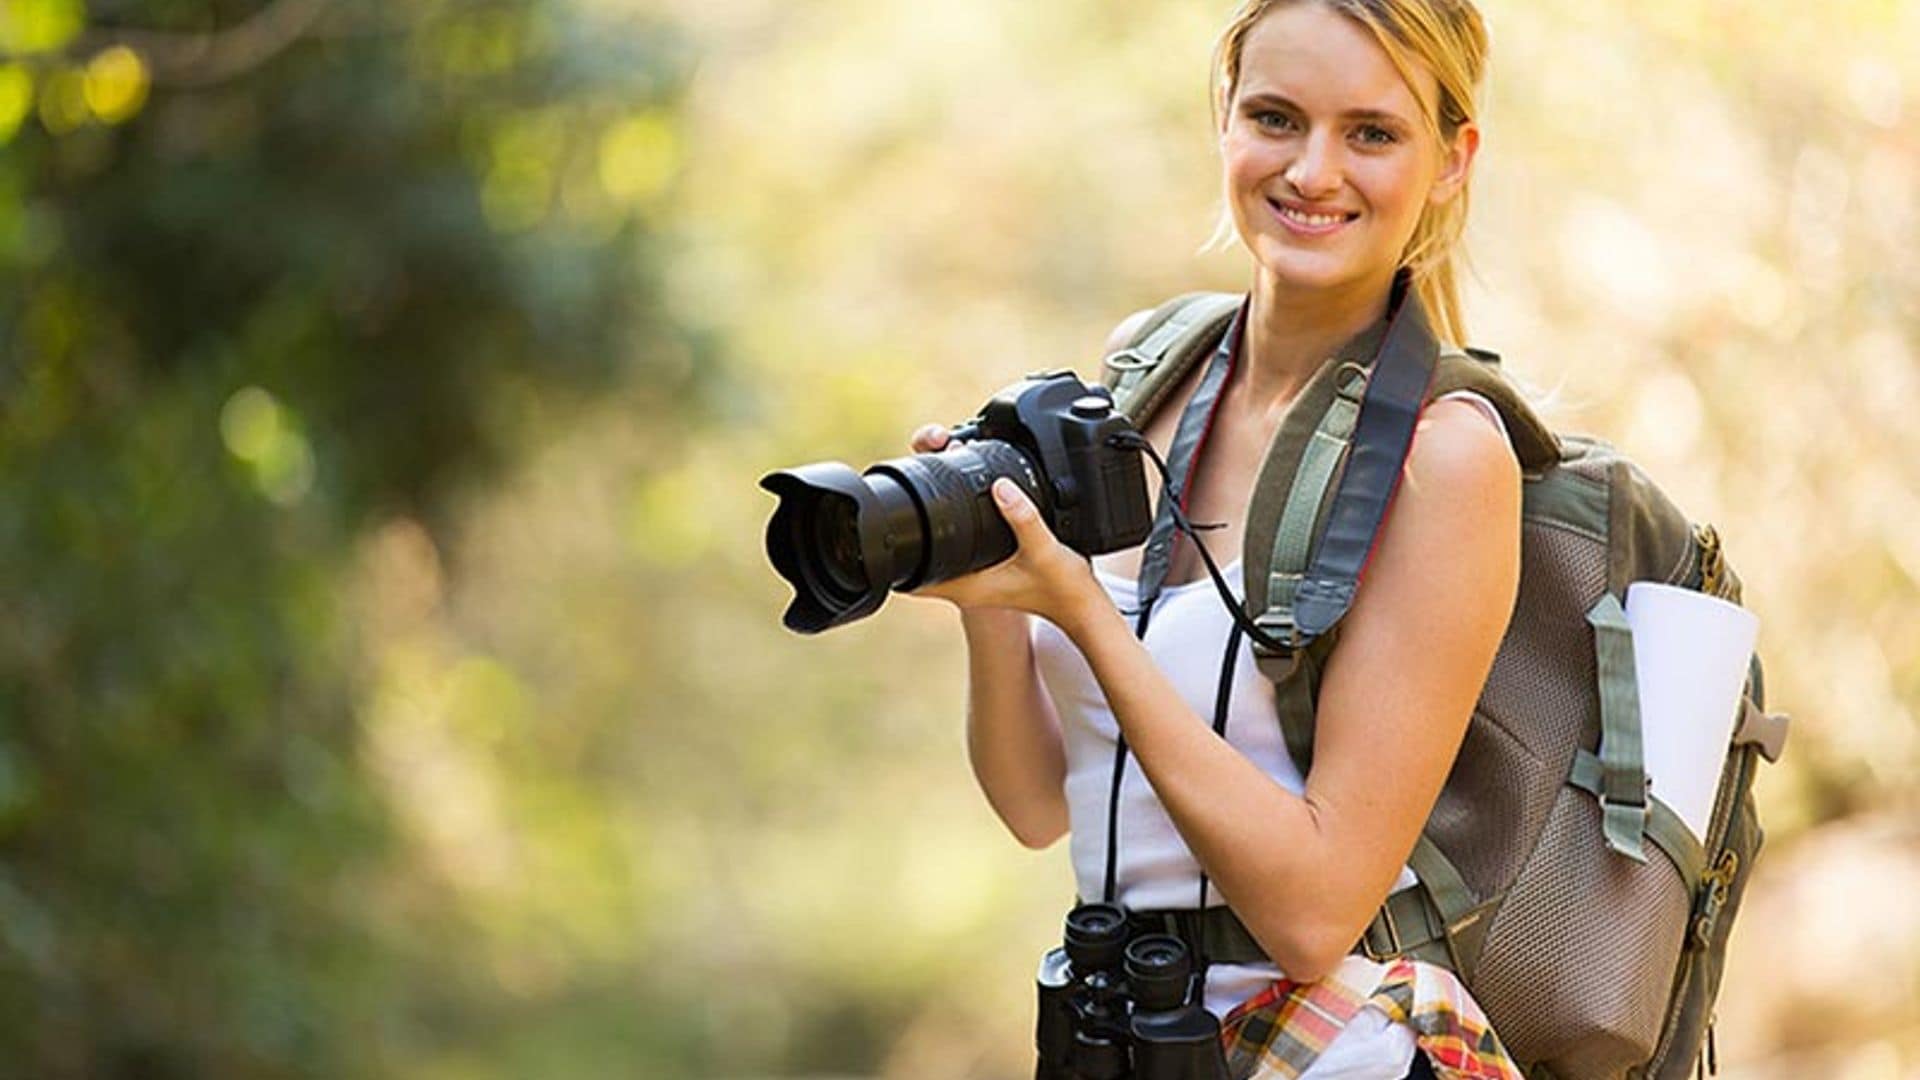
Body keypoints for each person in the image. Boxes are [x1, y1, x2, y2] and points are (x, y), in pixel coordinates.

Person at [908, 1, 1521, 1075]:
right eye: (1276, 118)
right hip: (1121, 1031)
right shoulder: (1149, 371)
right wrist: (993, 600)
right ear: (1223, 121)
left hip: (1333, 1052)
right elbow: (1040, 804)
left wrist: (1085, 614)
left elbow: (1313, 914)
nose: (1314, 171)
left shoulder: (1445, 456)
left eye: (1371, 133)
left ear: (1450, 160)